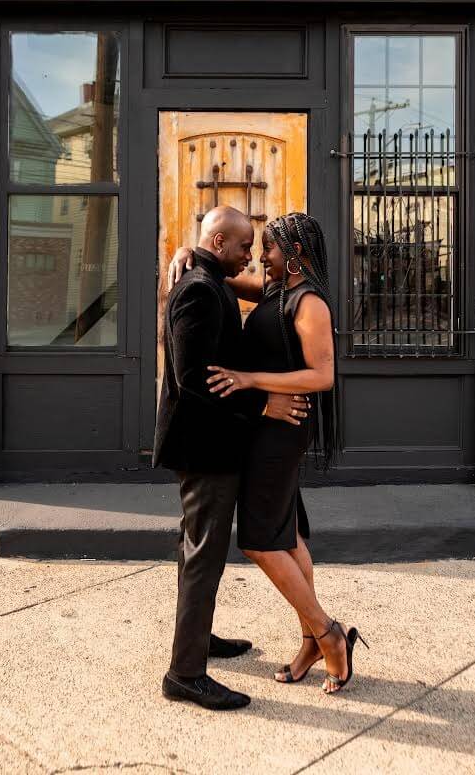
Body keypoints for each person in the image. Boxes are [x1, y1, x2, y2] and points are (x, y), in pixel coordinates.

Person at [170, 213, 368, 695]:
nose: (261, 256)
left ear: (295, 253)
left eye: (270, 249)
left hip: (281, 431)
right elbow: (220, 273)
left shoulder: (310, 302)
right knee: (290, 535)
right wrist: (184, 254)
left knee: (261, 539)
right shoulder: (276, 290)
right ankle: (311, 641)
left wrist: (254, 382)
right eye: (255, 248)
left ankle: (328, 632)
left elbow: (322, 375)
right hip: (263, 426)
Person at [154, 205, 310, 711]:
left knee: (202, 552)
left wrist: (185, 249)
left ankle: (199, 641)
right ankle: (185, 674)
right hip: (205, 448)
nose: (251, 256)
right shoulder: (199, 287)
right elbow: (193, 377)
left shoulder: (210, 277)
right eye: (245, 246)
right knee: (202, 554)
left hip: (217, 442)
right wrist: (264, 400)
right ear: (220, 243)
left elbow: (264, 296)